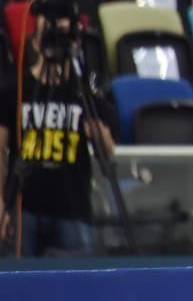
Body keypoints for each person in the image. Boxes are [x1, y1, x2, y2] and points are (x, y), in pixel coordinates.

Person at [0, 17, 116, 257]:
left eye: (63, 35)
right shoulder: (15, 89)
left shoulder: (84, 94)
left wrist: (99, 134)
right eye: (51, 33)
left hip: (72, 209)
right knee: (22, 287)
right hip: (25, 207)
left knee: (72, 288)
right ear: (35, 42)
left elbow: (107, 154)